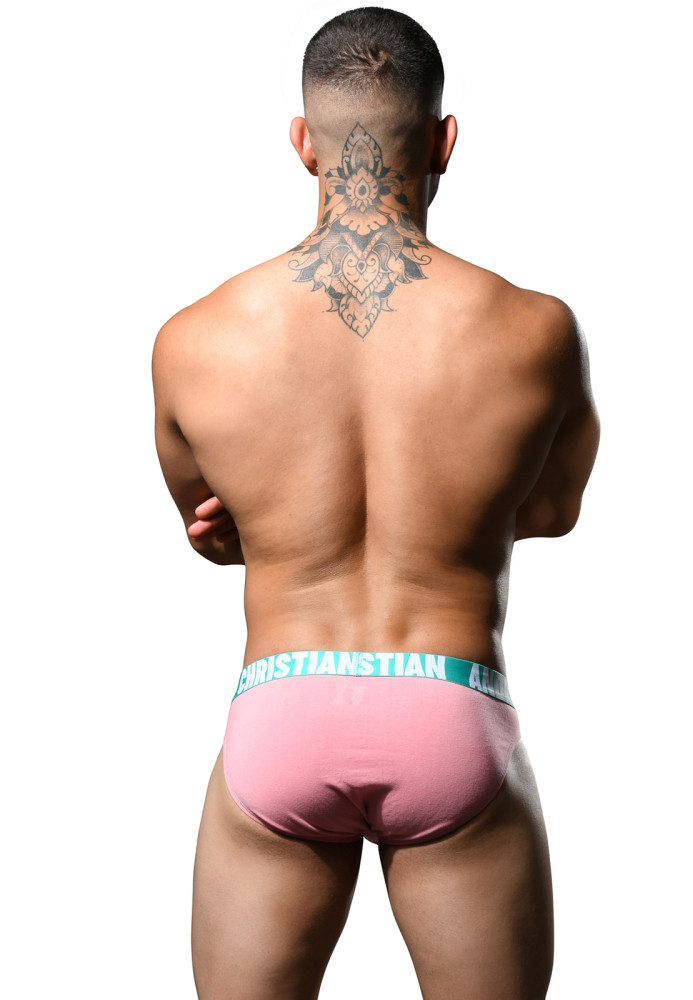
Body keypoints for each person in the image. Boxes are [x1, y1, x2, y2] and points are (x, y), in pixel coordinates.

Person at [152, 8, 599, 999]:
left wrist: (251, 534)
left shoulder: (194, 337)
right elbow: (554, 509)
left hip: (282, 704)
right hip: (449, 700)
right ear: (445, 141)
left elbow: (210, 522)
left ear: (302, 142)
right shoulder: (535, 329)